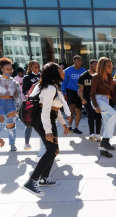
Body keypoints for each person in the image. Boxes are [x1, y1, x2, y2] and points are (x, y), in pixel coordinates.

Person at [22, 63, 70, 197]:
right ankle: (32, 181)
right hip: (44, 121)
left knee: (54, 150)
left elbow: (55, 108)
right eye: (61, 70)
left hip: (50, 119)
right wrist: (48, 131)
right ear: (55, 73)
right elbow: (45, 110)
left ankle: (44, 178)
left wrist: (63, 123)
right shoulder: (49, 88)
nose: (63, 72)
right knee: (51, 150)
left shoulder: (52, 86)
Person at [91, 57, 116, 158]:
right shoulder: (96, 77)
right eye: (108, 66)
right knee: (114, 114)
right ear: (103, 66)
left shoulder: (110, 77)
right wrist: (96, 106)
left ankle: (103, 148)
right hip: (98, 99)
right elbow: (92, 94)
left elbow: (112, 93)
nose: (111, 68)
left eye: (111, 65)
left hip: (106, 100)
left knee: (107, 124)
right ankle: (106, 141)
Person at [0, 57, 22, 152]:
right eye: (7, 69)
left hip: (10, 104)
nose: (10, 71)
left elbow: (18, 97)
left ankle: (12, 144)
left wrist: (19, 110)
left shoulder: (15, 83)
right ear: (2, 69)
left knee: (10, 125)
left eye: (11, 69)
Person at [78, 59, 102, 142]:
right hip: (87, 99)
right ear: (90, 65)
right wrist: (82, 99)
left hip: (98, 99)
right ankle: (92, 134)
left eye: (97, 65)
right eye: (95, 64)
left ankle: (98, 135)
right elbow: (80, 90)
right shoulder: (83, 76)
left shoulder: (100, 75)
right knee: (90, 114)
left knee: (98, 116)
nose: (96, 66)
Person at [62, 55, 86, 134]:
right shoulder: (67, 70)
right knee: (71, 108)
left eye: (81, 60)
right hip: (70, 90)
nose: (80, 62)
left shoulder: (84, 71)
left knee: (78, 109)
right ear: (74, 61)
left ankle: (76, 127)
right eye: (78, 60)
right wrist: (63, 93)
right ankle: (70, 126)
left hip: (80, 91)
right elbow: (64, 82)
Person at [23, 60, 41, 150]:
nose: (37, 69)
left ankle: (43, 145)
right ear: (30, 67)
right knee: (29, 122)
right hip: (31, 102)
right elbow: (24, 89)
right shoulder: (27, 77)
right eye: (35, 67)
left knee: (41, 123)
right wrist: (28, 94)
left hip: (41, 102)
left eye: (38, 67)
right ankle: (26, 143)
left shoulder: (43, 75)